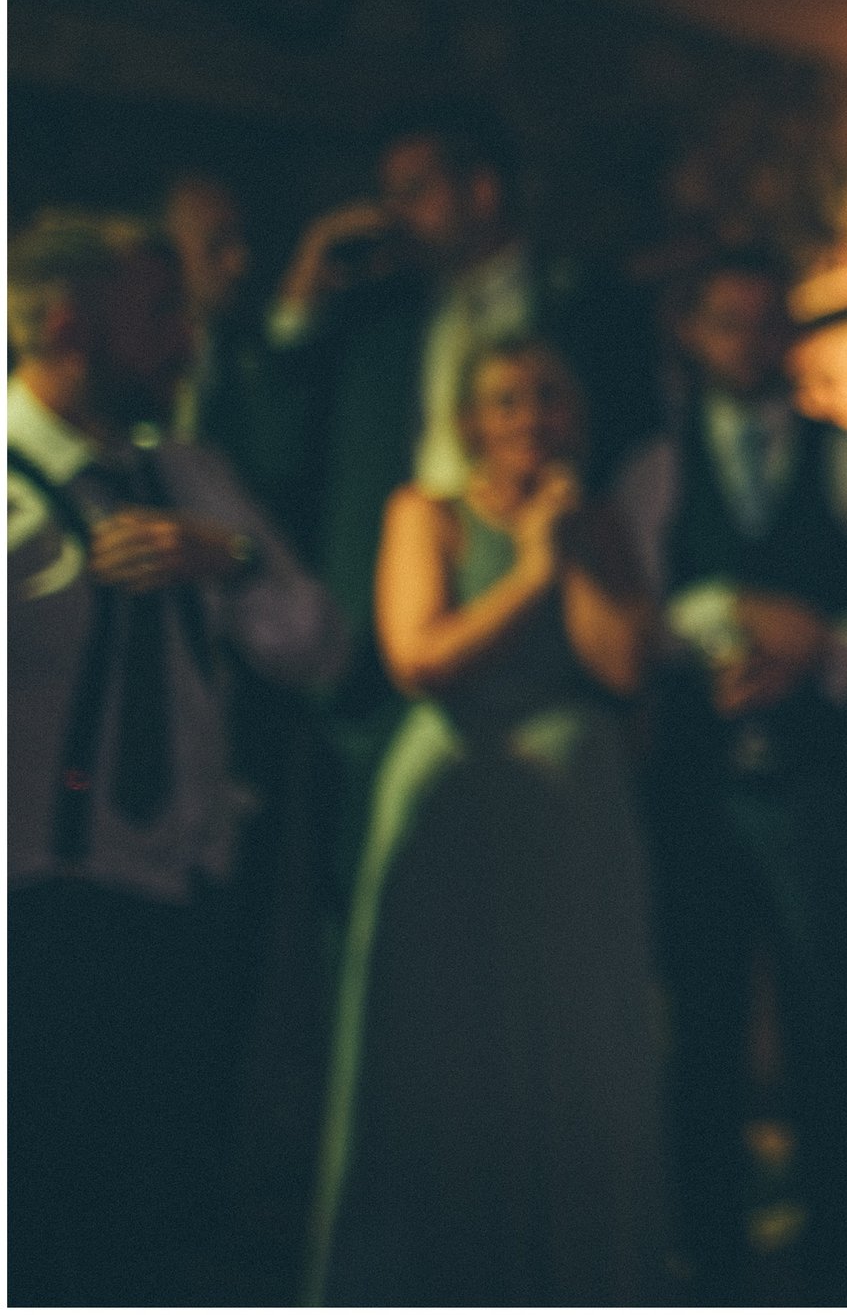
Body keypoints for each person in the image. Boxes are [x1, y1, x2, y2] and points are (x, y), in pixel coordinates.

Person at [8, 211, 346, 1305]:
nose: (186, 339)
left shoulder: (186, 472)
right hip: (38, 921)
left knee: (153, 1218)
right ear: (69, 321)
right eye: (160, 313)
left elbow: (319, 644)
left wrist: (230, 559)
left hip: (185, 900)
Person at [305, 336, 668, 1305]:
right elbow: (419, 656)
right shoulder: (424, 514)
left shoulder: (599, 526)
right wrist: (527, 575)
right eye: (508, 400)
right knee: (434, 1043)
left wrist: (568, 548)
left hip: (569, 823)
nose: (531, 419)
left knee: (569, 1041)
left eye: (551, 397)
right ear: (473, 421)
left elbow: (625, 668)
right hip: (450, 812)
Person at [611, 250, 847, 1299]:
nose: (745, 342)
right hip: (698, 791)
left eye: (763, 322)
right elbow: (630, 614)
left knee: (825, 1016)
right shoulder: (654, 468)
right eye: (725, 321)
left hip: (818, 783)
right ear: (692, 333)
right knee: (700, 1023)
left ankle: (833, 1256)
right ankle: (708, 1254)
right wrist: (713, 624)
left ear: (785, 335)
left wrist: (819, 649)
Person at [267, 102, 662, 874]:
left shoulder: (592, 306)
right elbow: (285, 445)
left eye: (412, 189)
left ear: (481, 190)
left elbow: (639, 464)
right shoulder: (373, 312)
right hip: (396, 639)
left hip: (560, 644)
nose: (391, 215)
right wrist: (302, 295)